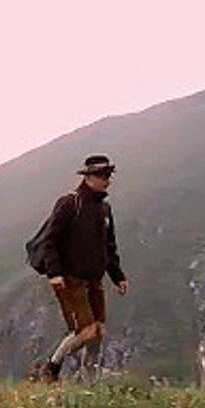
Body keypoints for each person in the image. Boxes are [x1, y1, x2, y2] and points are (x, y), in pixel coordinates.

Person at [34, 154, 128, 383]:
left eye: (108, 176)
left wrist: (118, 276)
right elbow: (50, 240)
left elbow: (109, 246)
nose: (107, 181)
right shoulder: (70, 203)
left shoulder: (104, 209)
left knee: (98, 332)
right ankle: (52, 366)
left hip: (94, 279)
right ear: (88, 177)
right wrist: (55, 273)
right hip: (70, 278)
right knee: (86, 331)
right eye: (102, 176)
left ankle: (90, 383)